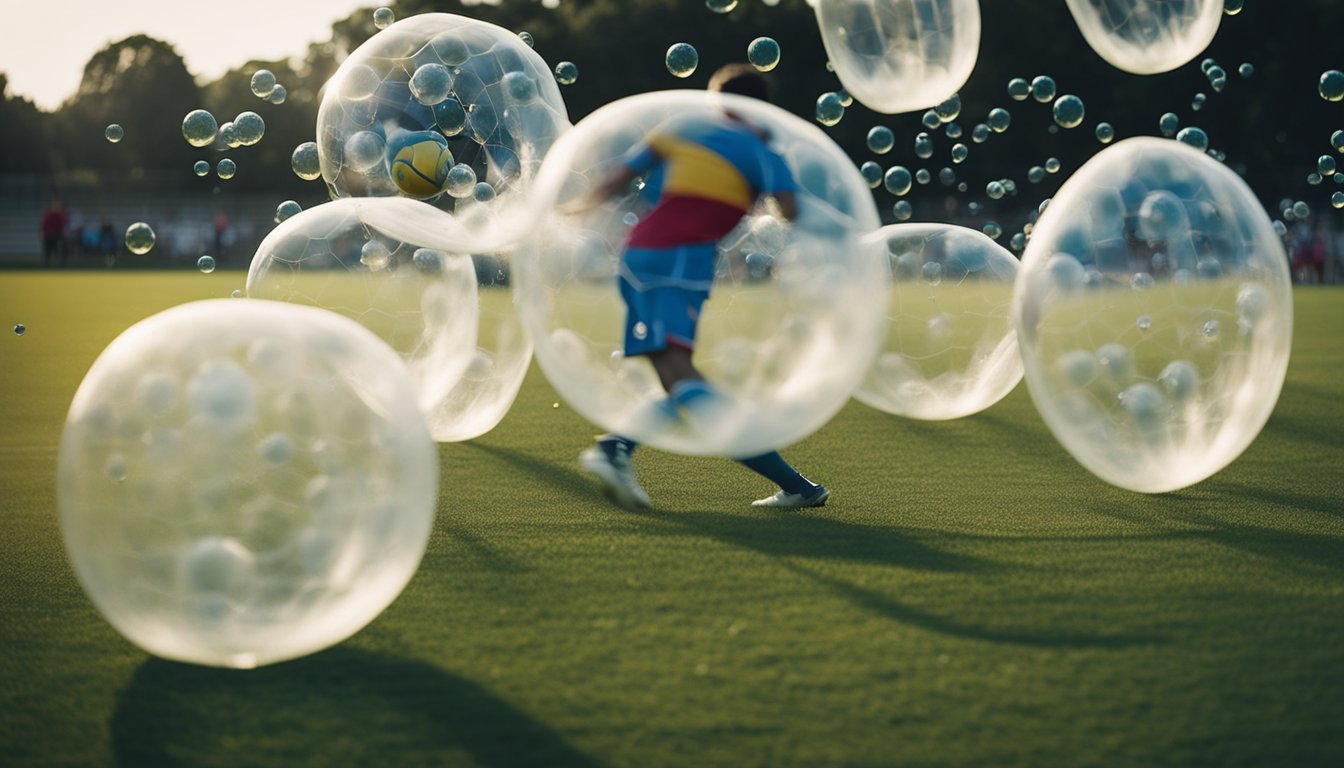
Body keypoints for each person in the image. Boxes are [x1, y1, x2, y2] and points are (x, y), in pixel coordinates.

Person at [573, 64, 829, 512]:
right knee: (685, 382)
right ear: (761, 107)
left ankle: (799, 488)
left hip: (639, 257)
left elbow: (615, 178)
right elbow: (789, 210)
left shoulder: (683, 127)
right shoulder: (763, 150)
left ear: (715, 101)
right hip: (679, 262)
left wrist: (568, 211)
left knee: (682, 386)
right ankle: (614, 448)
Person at [40, 198, 68, 268]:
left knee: (58, 250)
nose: (56, 206)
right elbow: (44, 224)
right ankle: (46, 264)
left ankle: (60, 264)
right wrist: (42, 232)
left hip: (58, 234)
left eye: (57, 205)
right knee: (47, 250)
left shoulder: (62, 214)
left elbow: (64, 224)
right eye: (55, 205)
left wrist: (64, 232)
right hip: (48, 234)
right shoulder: (48, 213)